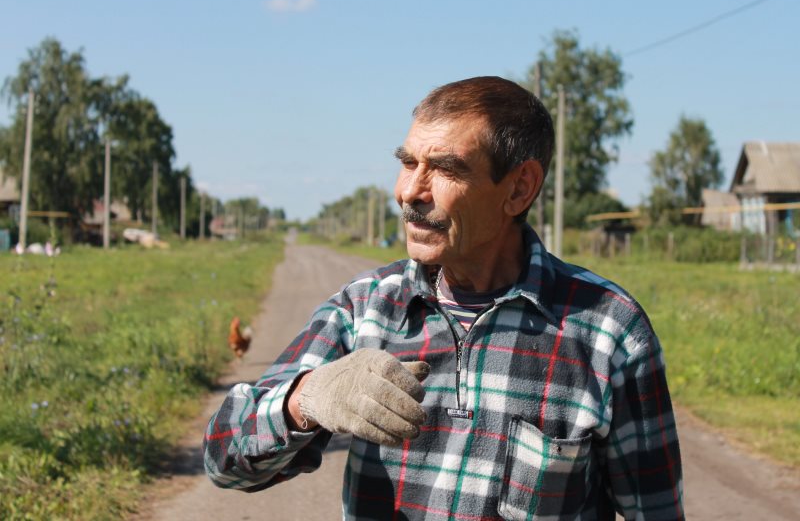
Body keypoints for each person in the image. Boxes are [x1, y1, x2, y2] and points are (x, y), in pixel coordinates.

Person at [204, 76, 684, 520]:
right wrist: (305, 399)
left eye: (446, 169)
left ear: (519, 188)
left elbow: (658, 511)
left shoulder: (608, 331)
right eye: (409, 163)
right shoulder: (366, 310)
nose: (410, 191)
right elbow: (223, 458)